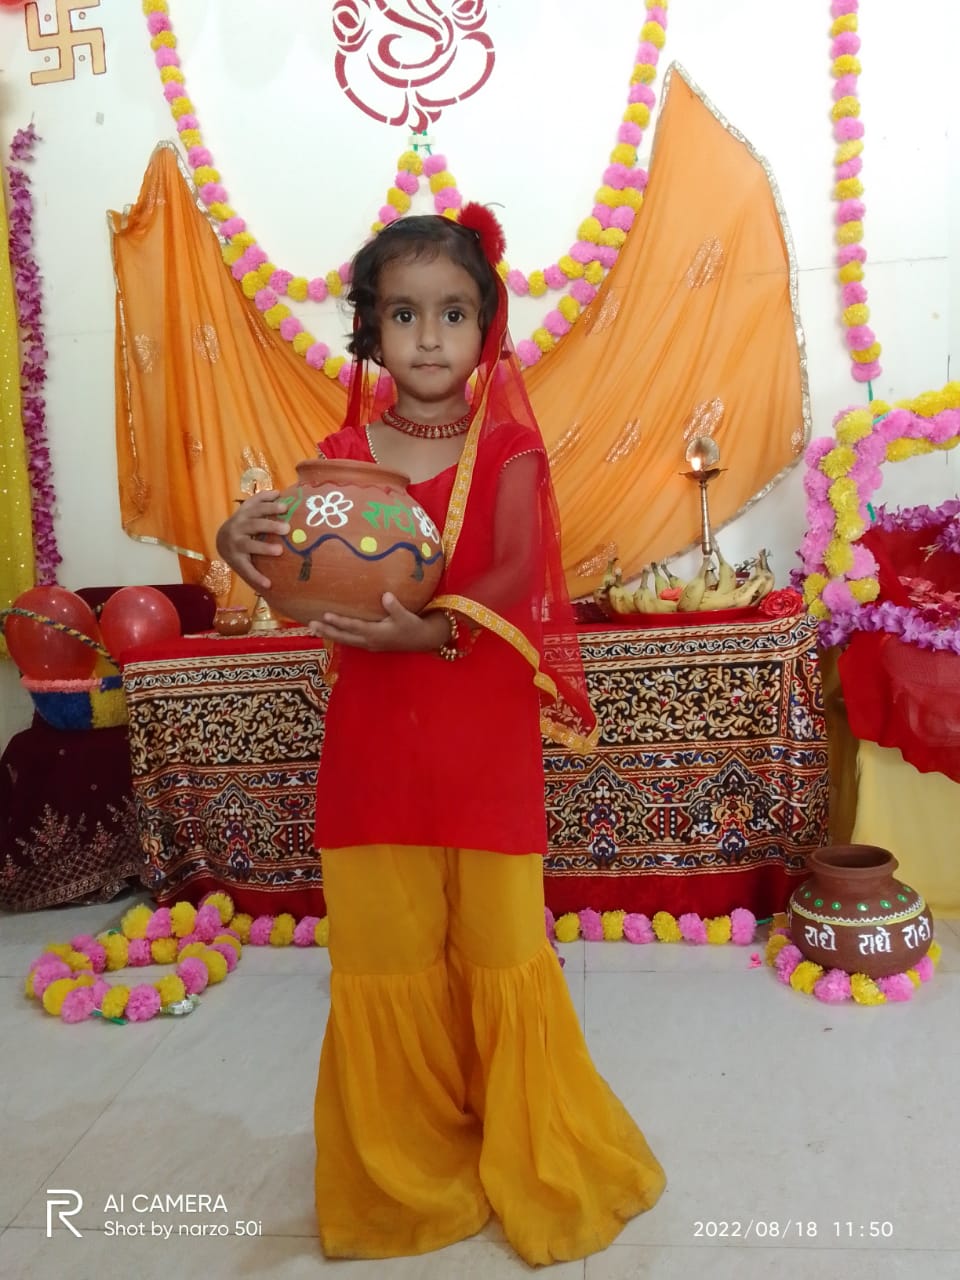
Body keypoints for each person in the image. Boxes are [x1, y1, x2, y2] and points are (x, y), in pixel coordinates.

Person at [215, 206, 665, 1265]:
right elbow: (306, 587)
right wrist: (243, 548)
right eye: (405, 314)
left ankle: (526, 1142)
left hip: (481, 731)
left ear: (487, 325)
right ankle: (407, 1172)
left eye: (453, 313)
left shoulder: (509, 447)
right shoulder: (337, 459)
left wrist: (437, 630)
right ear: (369, 330)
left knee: (503, 943)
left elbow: (513, 568)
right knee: (385, 949)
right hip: (375, 745)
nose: (429, 337)